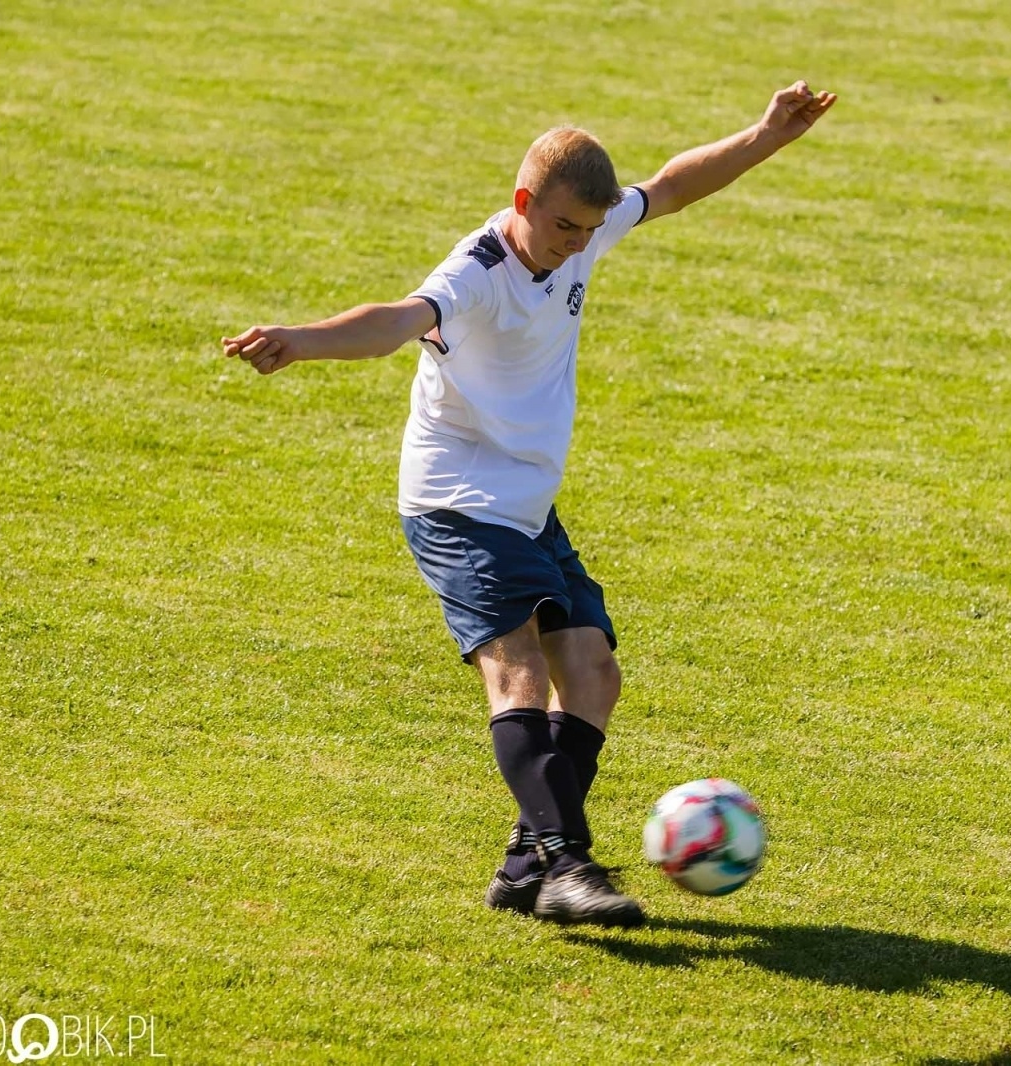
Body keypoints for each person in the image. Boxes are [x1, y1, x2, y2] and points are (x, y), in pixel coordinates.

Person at [221, 81, 837, 927]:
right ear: (524, 204)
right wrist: (304, 341)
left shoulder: (582, 232)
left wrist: (767, 134)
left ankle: (524, 867)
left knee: (594, 674)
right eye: (564, 228)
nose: (577, 244)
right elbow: (396, 320)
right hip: (458, 501)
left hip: (527, 503)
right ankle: (565, 862)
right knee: (518, 672)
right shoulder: (477, 273)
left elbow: (673, 185)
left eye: (589, 229)